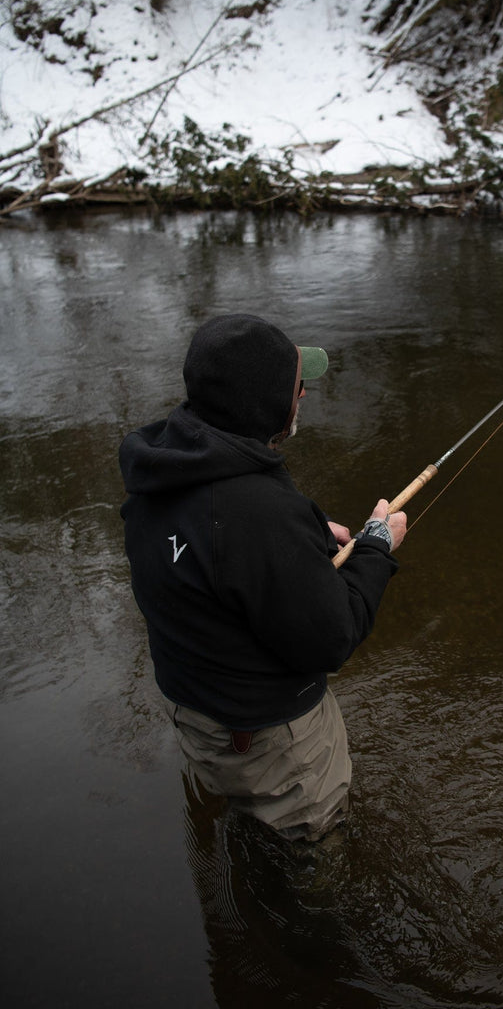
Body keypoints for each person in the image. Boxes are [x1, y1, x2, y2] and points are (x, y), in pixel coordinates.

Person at [119, 312, 406, 842]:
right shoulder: (260, 514)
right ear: (268, 404)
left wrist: (308, 532)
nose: (304, 396)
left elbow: (214, 547)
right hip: (271, 743)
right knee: (315, 859)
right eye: (298, 387)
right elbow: (332, 637)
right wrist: (376, 548)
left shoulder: (157, 467)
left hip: (196, 714)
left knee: (241, 824)